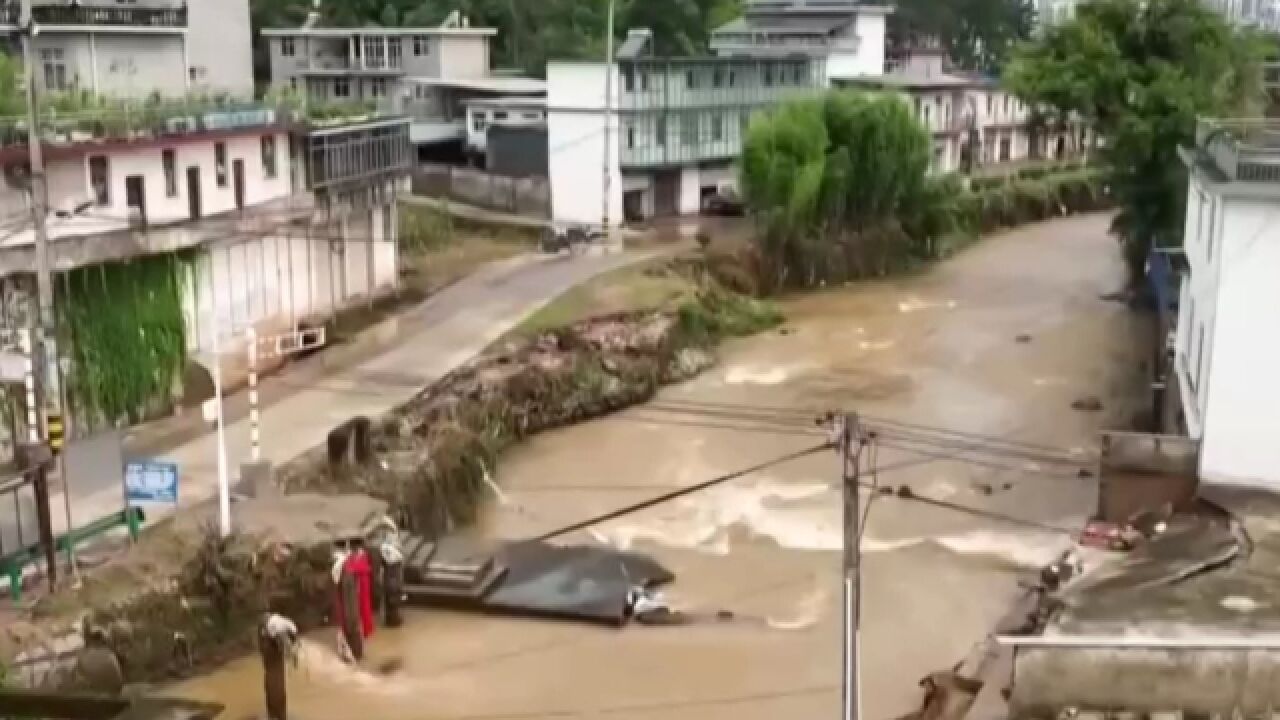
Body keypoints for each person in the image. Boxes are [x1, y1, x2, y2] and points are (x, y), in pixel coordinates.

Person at [258, 612, 298, 720]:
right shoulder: (278, 627)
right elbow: (287, 644)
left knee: (273, 680)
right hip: (272, 646)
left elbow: (288, 645)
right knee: (275, 681)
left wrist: (292, 655)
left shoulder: (280, 626)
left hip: (271, 647)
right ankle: (278, 714)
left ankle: (274, 714)